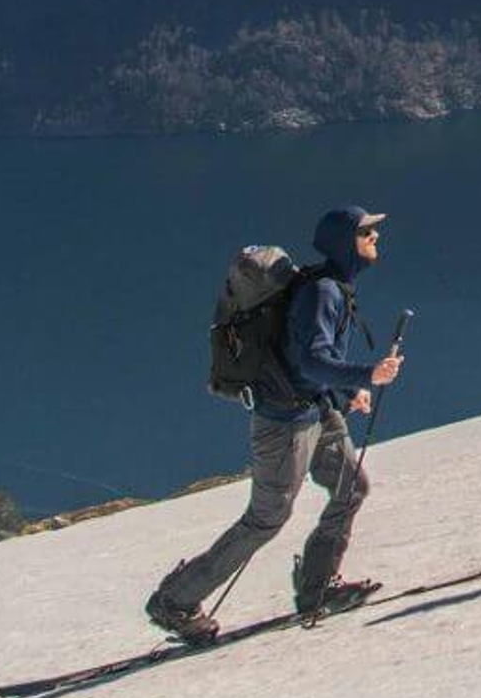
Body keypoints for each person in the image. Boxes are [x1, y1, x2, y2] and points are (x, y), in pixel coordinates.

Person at [146, 207, 402, 641]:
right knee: (265, 520)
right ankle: (175, 600)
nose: (376, 235)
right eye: (366, 231)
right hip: (284, 424)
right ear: (344, 241)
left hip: (316, 409)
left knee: (351, 487)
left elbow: (304, 360)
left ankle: (316, 589)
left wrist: (344, 392)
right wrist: (366, 376)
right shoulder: (324, 292)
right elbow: (310, 359)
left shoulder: (333, 287)